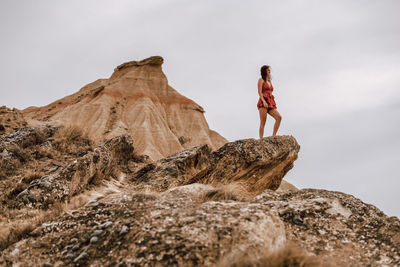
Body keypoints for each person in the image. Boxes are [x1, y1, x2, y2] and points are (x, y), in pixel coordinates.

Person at [257, 65, 282, 138]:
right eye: (268, 70)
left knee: (279, 117)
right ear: (264, 71)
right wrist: (263, 101)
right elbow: (259, 92)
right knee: (263, 122)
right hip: (263, 101)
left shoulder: (269, 81)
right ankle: (261, 139)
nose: (269, 71)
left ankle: (273, 136)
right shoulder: (261, 80)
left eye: (269, 70)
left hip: (270, 102)